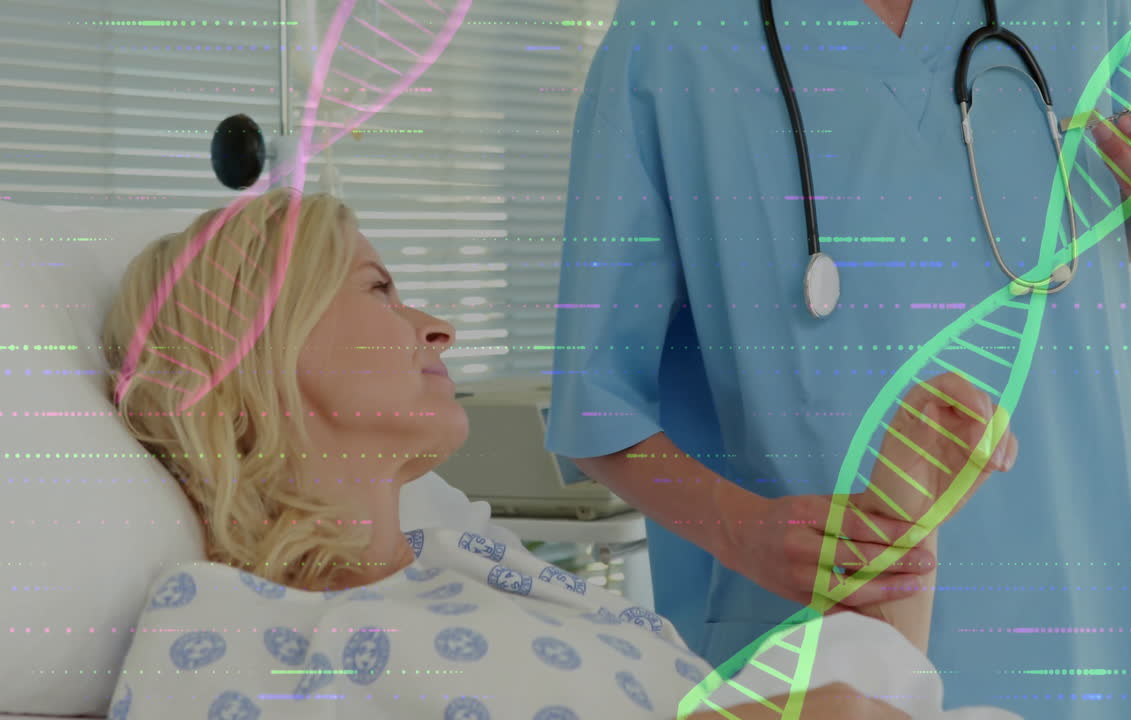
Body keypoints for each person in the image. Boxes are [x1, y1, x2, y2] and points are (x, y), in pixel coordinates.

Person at [544, 1, 1131, 719]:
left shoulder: (1085, 11)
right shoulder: (675, 33)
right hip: (827, 644)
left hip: (1083, 612)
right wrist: (734, 526)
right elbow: (596, 405)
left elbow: (1034, 283)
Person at [98, 188, 1019, 719]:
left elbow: (871, 688)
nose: (438, 328)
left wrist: (897, 515)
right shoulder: (218, 621)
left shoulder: (484, 569)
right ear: (262, 343)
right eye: (380, 287)